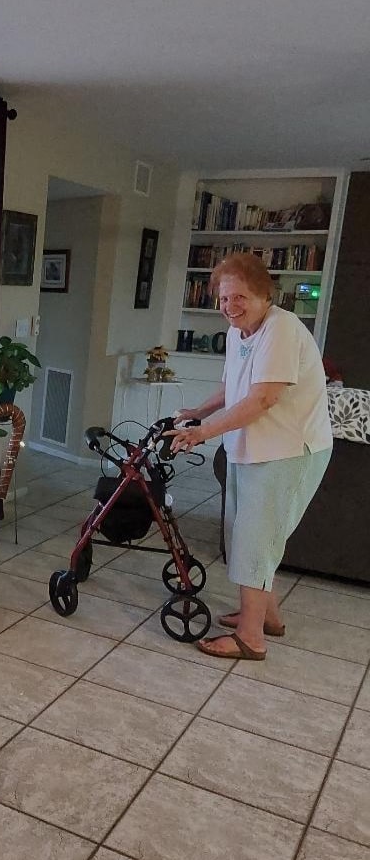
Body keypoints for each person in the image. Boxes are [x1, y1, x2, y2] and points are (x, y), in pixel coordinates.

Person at [170, 253, 332, 661]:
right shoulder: (237, 334)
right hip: (252, 448)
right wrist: (197, 413)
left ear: (265, 295)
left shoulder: (282, 330)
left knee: (256, 539)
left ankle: (251, 637)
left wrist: (203, 433)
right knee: (247, 534)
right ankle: (267, 617)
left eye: (240, 297)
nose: (230, 307)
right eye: (224, 299)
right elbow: (233, 387)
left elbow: (262, 398)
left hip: (289, 450)